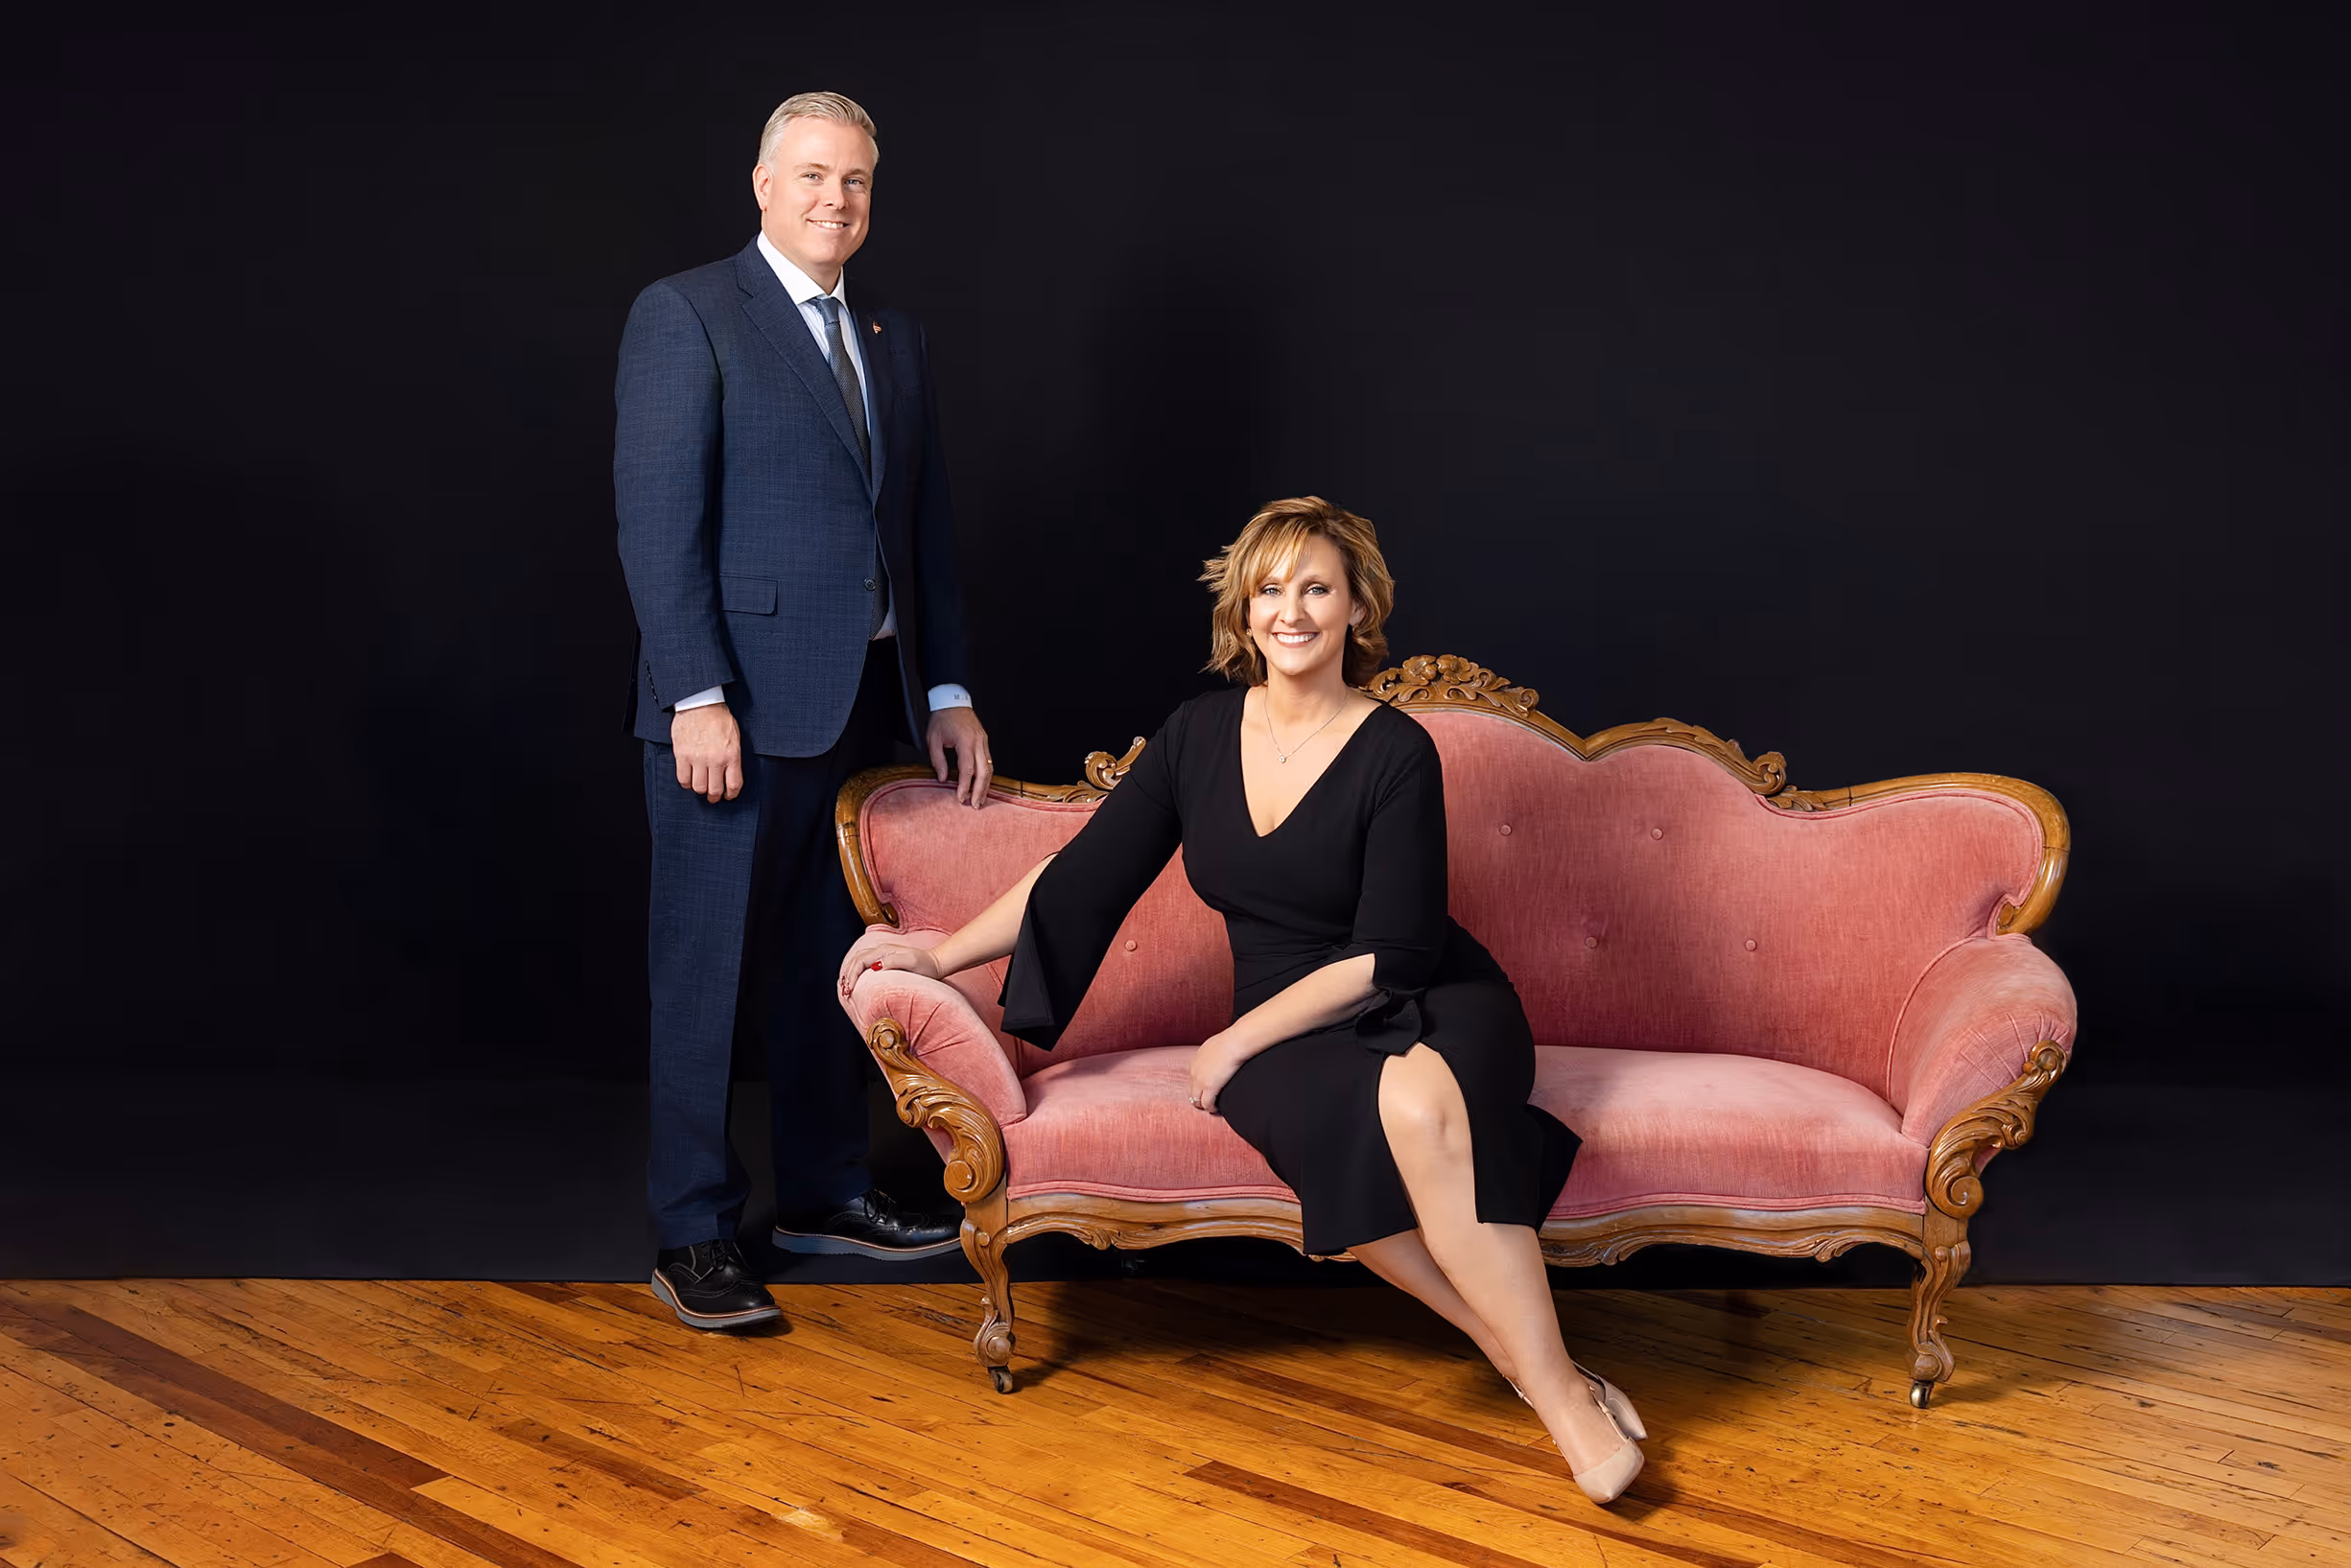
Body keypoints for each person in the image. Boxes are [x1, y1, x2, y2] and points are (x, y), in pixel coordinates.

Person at [839, 497, 1651, 1503]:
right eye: (1270, 589)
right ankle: (1540, 1367)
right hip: (1291, 1018)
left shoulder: (1396, 749)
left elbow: (1394, 953)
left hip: (1428, 991)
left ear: (1358, 607)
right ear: (1244, 608)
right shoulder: (1196, 736)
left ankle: (1564, 1405)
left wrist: (1232, 1043)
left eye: (1316, 588)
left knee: (1413, 1105)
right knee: (1351, 1152)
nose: (1291, 611)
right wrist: (941, 958)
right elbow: (1080, 877)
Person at [615, 91, 984, 1333]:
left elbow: (921, 526)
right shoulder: (687, 314)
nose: (837, 198)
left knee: (833, 964)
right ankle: (693, 1229)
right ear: (763, 184)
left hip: (863, 705)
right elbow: (657, 521)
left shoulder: (892, 334)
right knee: (704, 966)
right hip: (730, 710)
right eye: (815, 175)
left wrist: (944, 688)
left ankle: (825, 1193)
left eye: (857, 180)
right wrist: (694, 694)